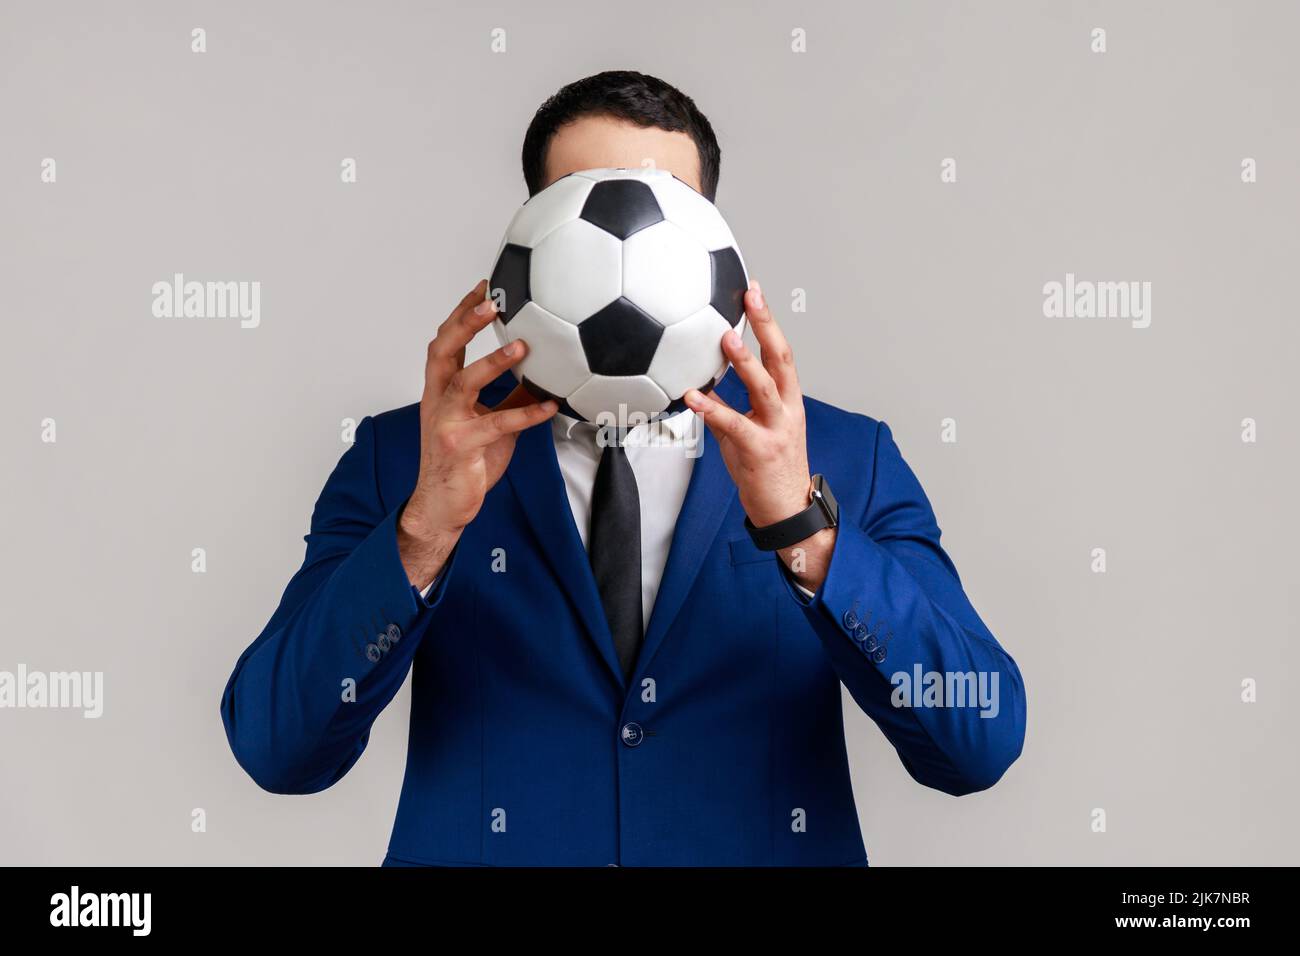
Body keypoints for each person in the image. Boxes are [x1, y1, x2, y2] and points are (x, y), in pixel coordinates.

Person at [220, 70, 1026, 866]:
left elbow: (978, 744)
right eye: (582, 200)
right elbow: (277, 748)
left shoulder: (846, 457)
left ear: (713, 249)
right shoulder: (407, 457)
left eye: (662, 203)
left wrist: (806, 535)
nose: (626, 252)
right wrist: (423, 531)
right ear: (528, 245)